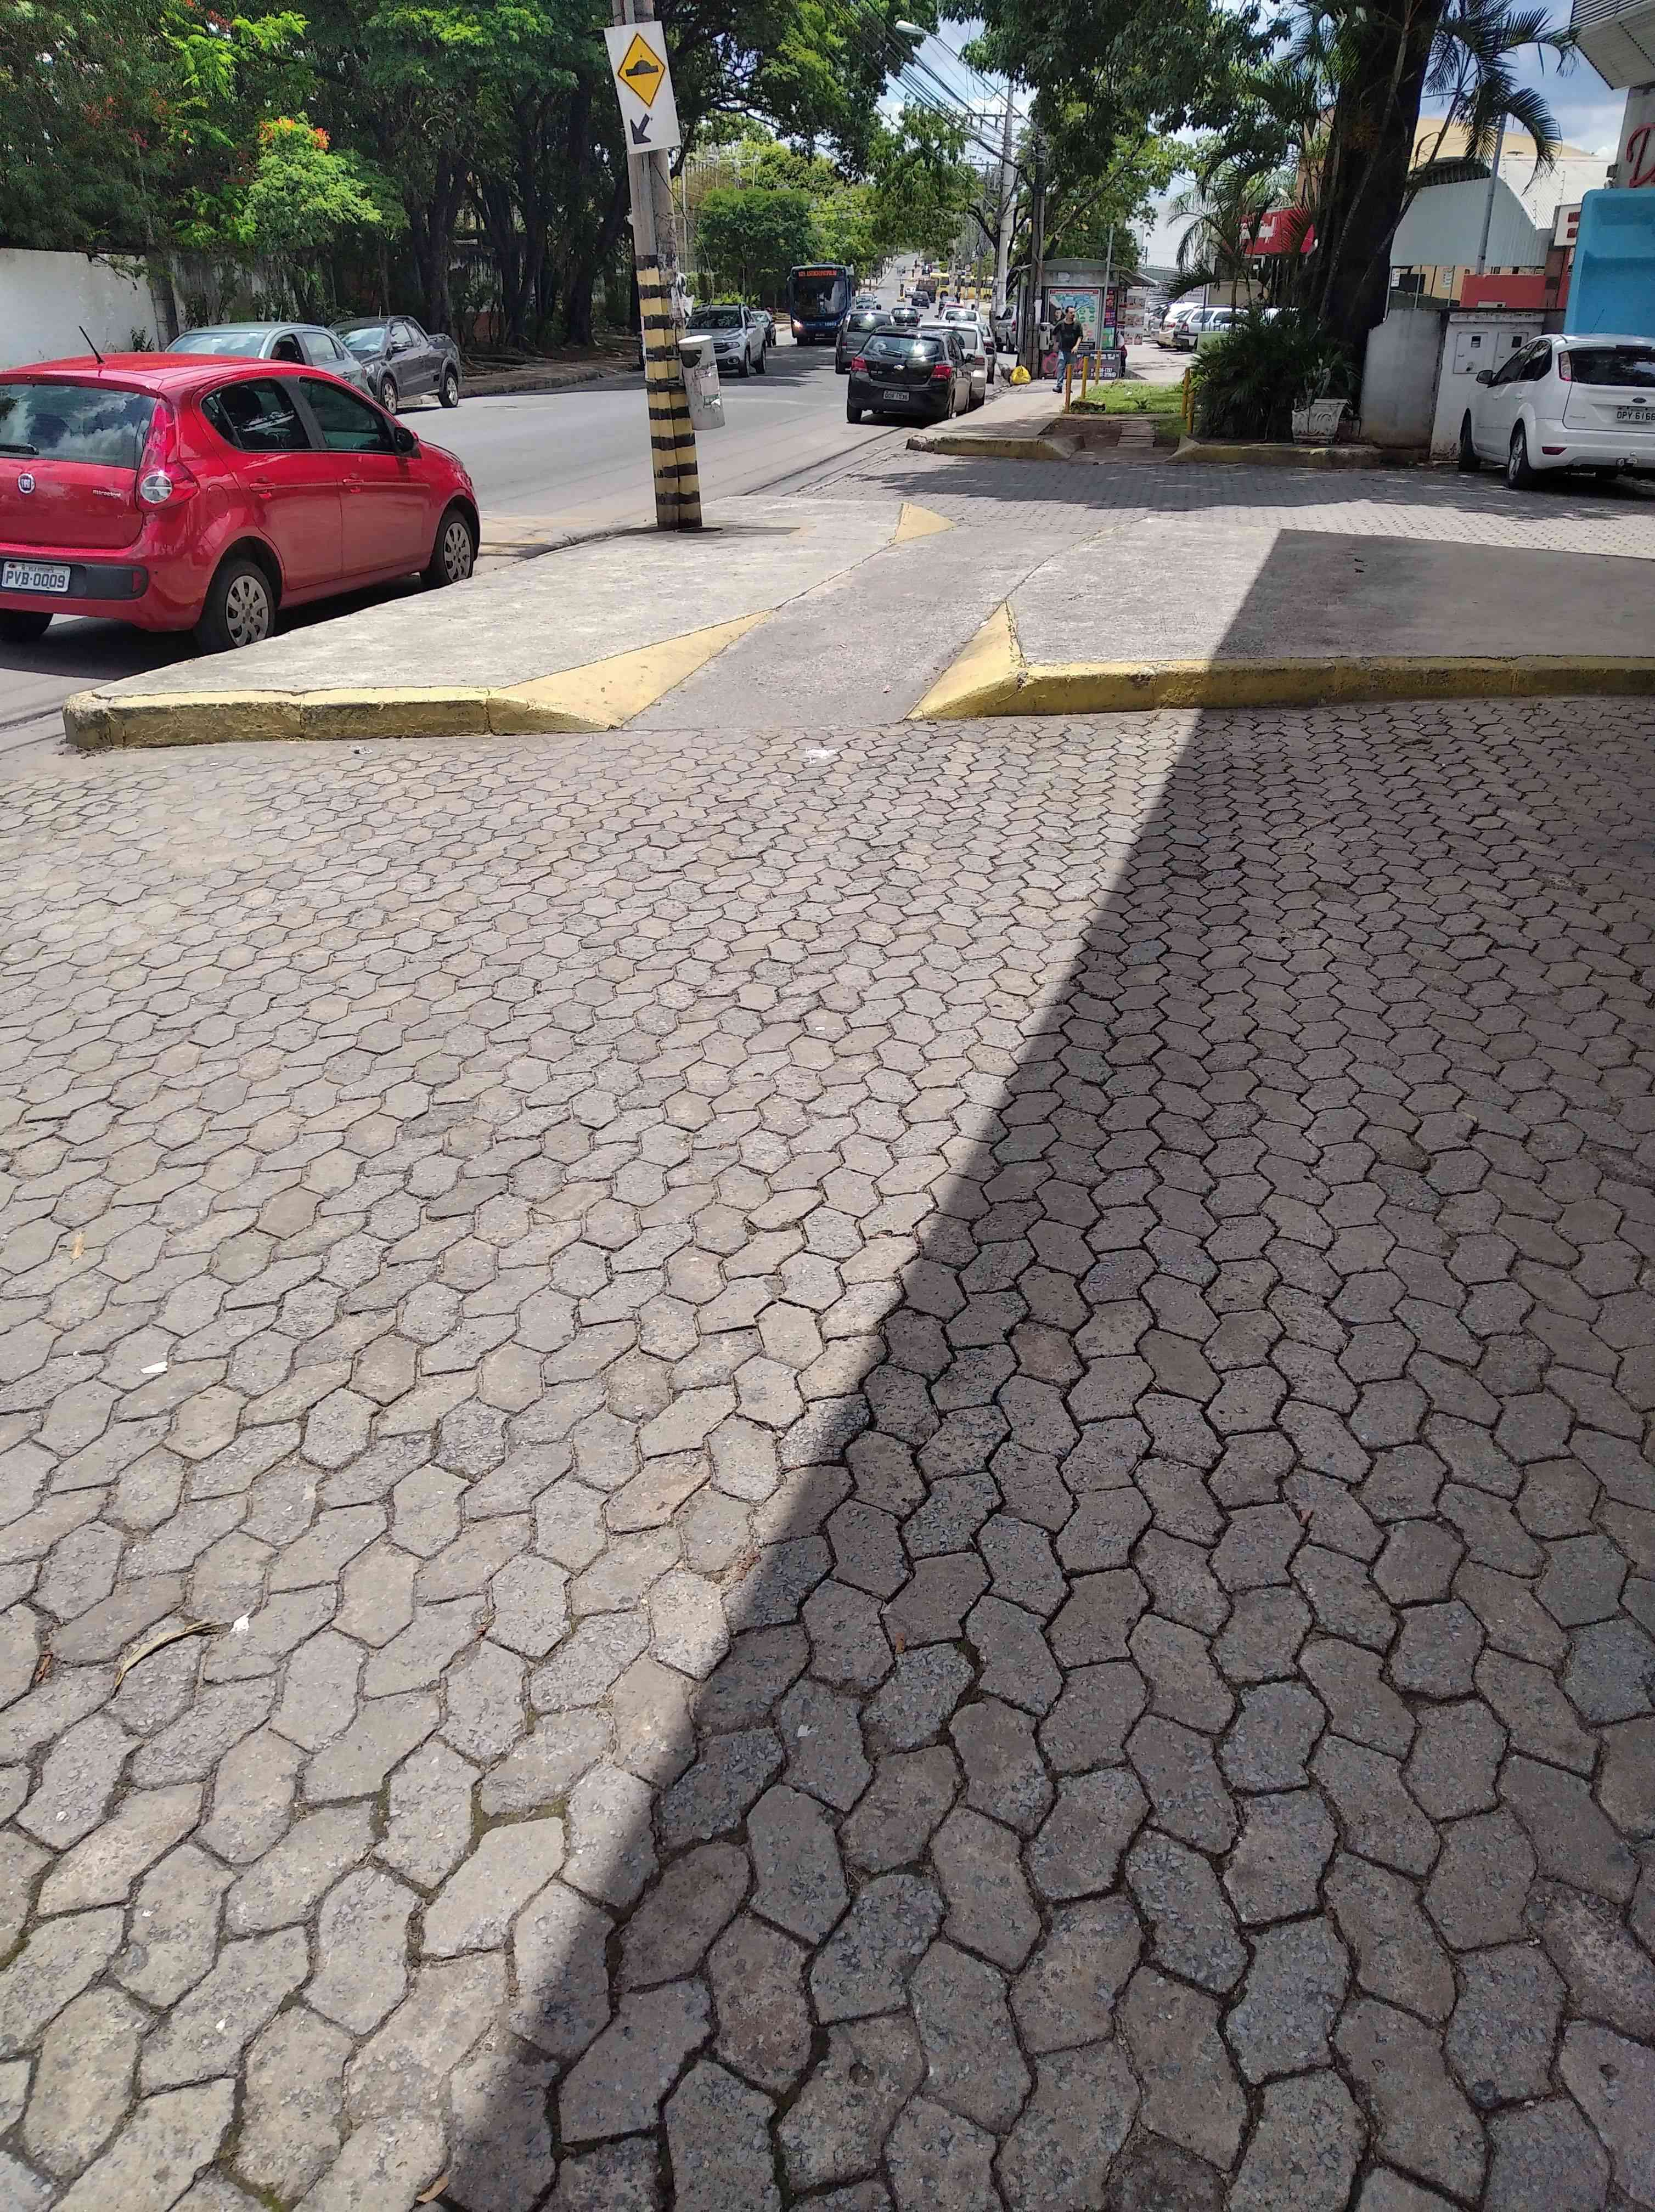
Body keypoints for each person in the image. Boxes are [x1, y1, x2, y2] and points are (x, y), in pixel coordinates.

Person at [1052, 307, 1084, 391]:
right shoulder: (1061, 324)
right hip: (1062, 350)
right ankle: (1059, 386)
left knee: (1071, 369)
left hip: (1072, 351)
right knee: (1061, 367)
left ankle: (1068, 387)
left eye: (1074, 312)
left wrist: (1076, 346)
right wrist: (1055, 344)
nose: (1073, 314)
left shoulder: (1077, 324)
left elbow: (1080, 336)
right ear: (1066, 314)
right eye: (1071, 313)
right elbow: (1054, 334)